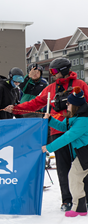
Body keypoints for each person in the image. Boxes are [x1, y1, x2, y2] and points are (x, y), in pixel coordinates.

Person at [5, 58, 88, 211]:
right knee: (63, 168)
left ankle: (84, 198)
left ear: (63, 70)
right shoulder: (50, 88)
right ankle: (66, 200)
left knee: (82, 165)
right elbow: (35, 103)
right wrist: (16, 109)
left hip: (77, 131)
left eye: (54, 71)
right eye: (50, 71)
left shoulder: (80, 85)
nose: (52, 74)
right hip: (58, 130)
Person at [42, 87, 88, 217]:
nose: (66, 105)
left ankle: (79, 207)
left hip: (85, 153)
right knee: (76, 177)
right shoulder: (76, 117)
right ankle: (81, 206)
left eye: (68, 103)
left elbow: (68, 136)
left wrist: (49, 147)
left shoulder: (83, 120)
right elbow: (63, 127)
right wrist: (50, 119)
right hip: (82, 153)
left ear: (75, 105)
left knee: (74, 177)